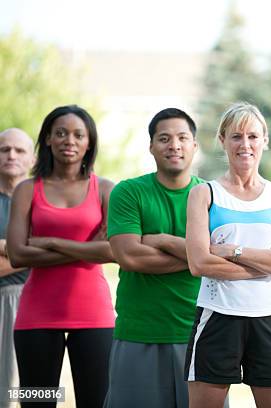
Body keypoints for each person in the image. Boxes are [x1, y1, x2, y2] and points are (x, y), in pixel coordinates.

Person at [184, 102, 271, 408]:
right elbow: (199, 263)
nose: (245, 144)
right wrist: (268, 264)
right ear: (222, 140)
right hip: (217, 319)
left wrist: (232, 252)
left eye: (253, 136)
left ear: (265, 140)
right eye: (236, 136)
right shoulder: (204, 194)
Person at [7, 106, 115, 408]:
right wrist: (86, 249)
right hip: (36, 313)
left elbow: (111, 250)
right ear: (48, 140)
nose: (70, 140)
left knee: (96, 401)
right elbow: (17, 254)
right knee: (35, 402)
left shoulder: (106, 189)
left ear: (89, 142)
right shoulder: (27, 189)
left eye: (78, 134)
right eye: (61, 133)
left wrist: (50, 242)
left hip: (94, 313)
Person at [105, 108, 208, 408]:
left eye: (182, 138)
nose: (173, 145)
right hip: (140, 332)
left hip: (200, 333)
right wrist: (196, 256)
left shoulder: (210, 195)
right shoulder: (129, 192)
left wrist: (161, 240)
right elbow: (129, 256)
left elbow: (220, 258)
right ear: (151, 146)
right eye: (164, 138)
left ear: (194, 146)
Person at [0, 128, 34, 408]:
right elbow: (52, 251)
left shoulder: (44, 201)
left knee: (38, 387)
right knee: (3, 389)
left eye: (20, 150)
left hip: (38, 302)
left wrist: (7, 248)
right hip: (4, 298)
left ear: (33, 158)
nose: (12, 155)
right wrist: (29, 251)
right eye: (4, 149)